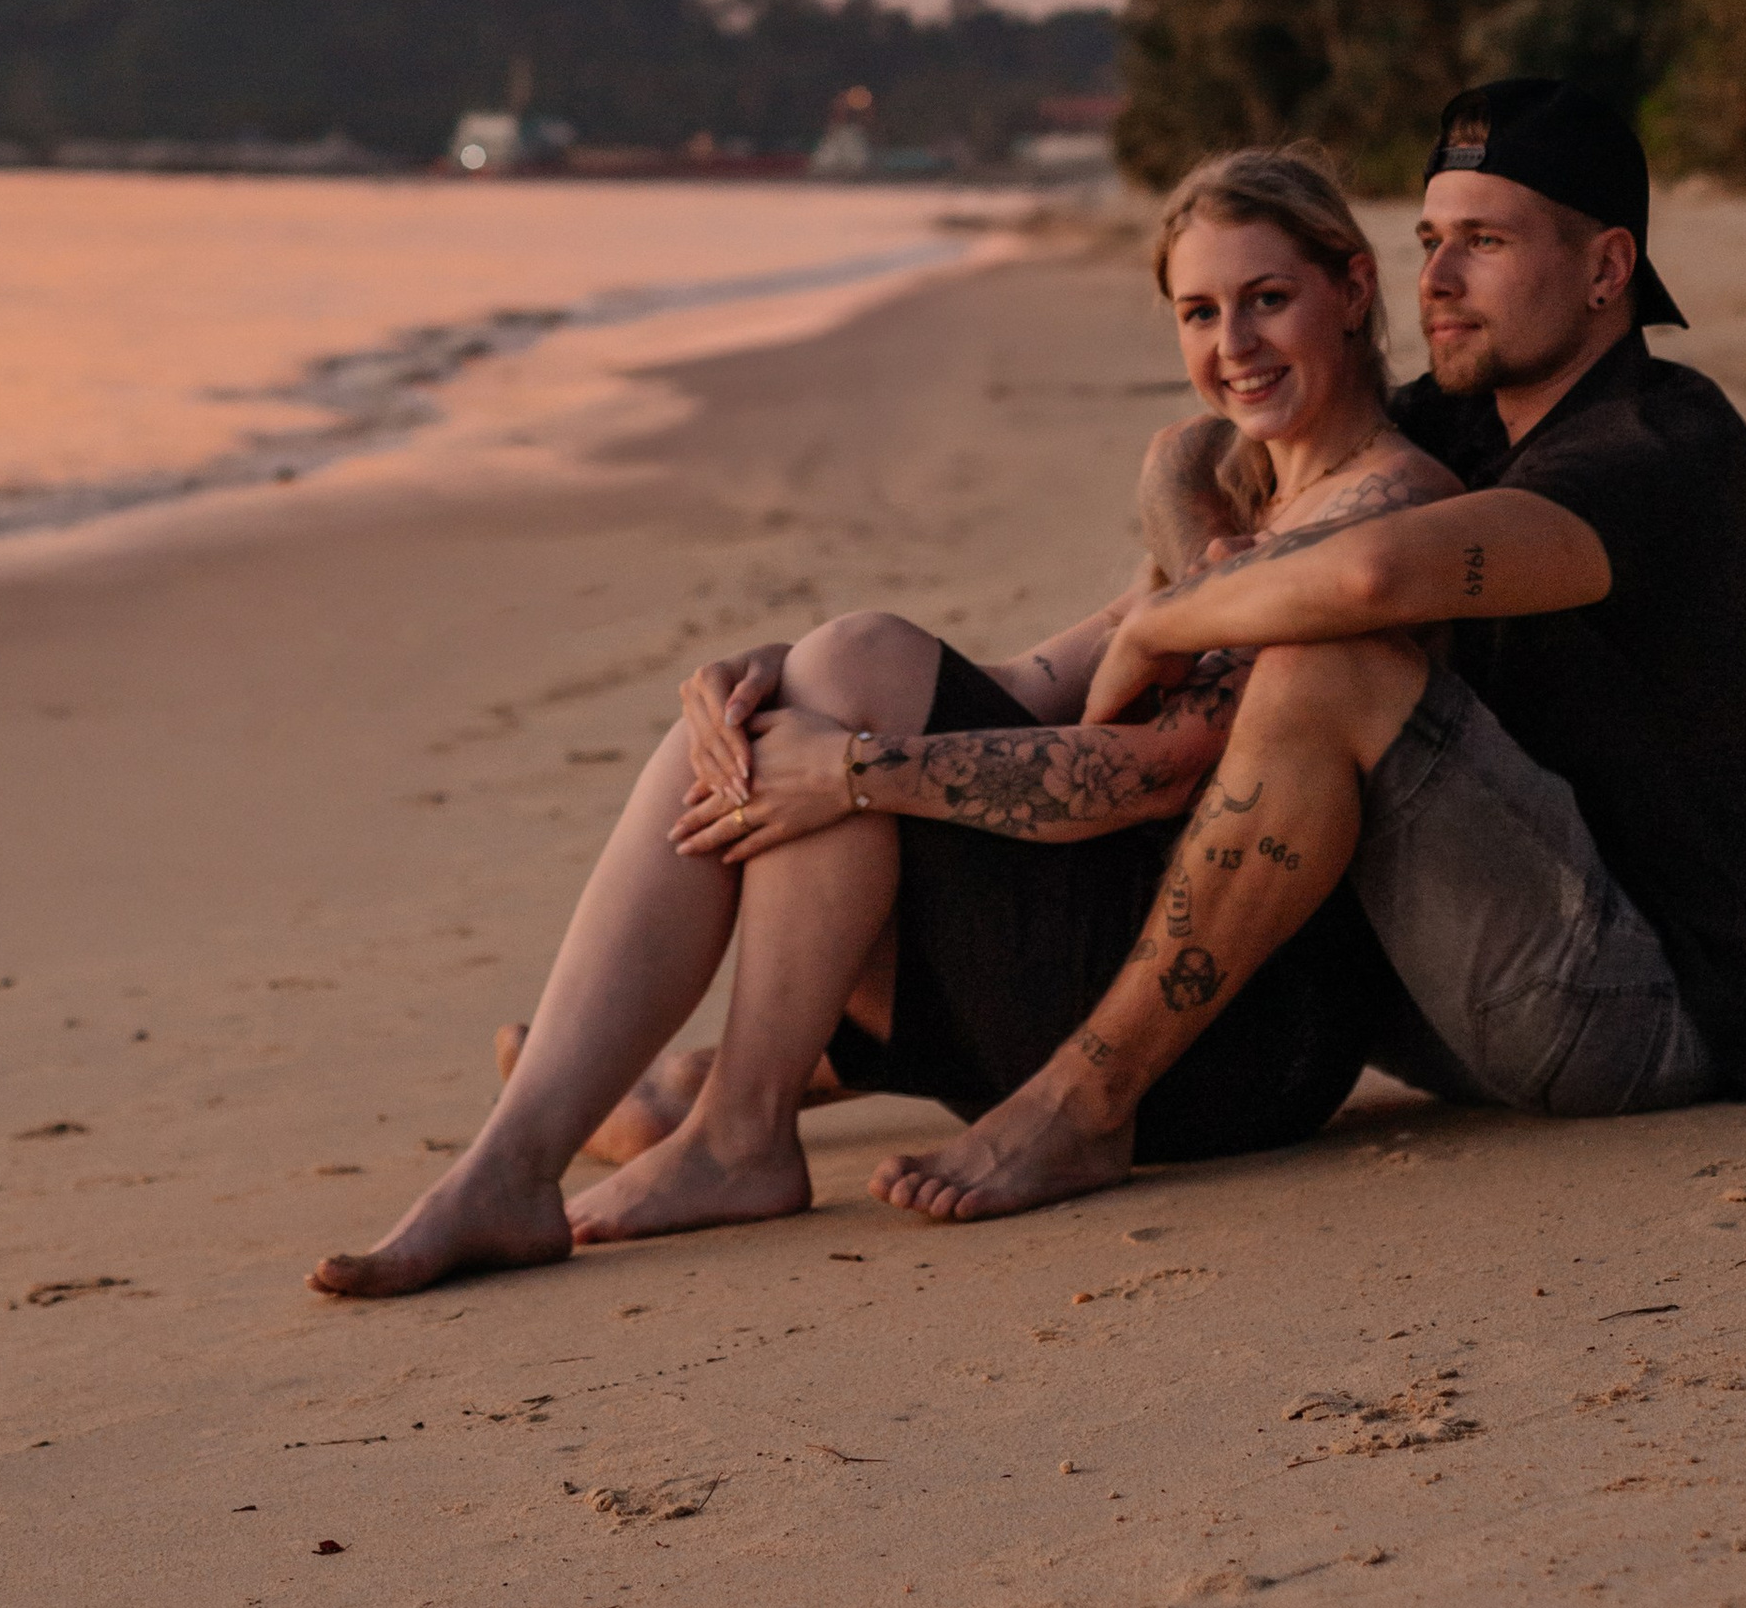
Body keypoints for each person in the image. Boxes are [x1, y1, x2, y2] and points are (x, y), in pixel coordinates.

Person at [308, 146, 1442, 1296]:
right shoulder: (1250, 499)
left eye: (1267, 300)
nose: (1231, 345)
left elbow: (1157, 771)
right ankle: (518, 1163)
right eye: (1199, 312)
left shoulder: (1390, 508)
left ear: (1351, 288)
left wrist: (856, 769)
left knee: (850, 684)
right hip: (1090, 962)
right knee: (787, 692)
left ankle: (731, 1133)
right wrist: (765, 682)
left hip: (1226, 1048)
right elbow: (1030, 681)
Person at [731, 77, 1746, 1223]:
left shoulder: (1658, 444)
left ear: (1606, 270)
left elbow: (1368, 575)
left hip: (1639, 1008)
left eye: (1485, 243)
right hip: (1440, 975)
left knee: (1322, 663)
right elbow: (1203, 451)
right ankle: (803, 1065)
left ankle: (1083, 1102)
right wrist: (1205, 555)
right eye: (1431, 241)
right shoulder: (1462, 418)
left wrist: (1164, 620)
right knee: (1258, 665)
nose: (1438, 281)